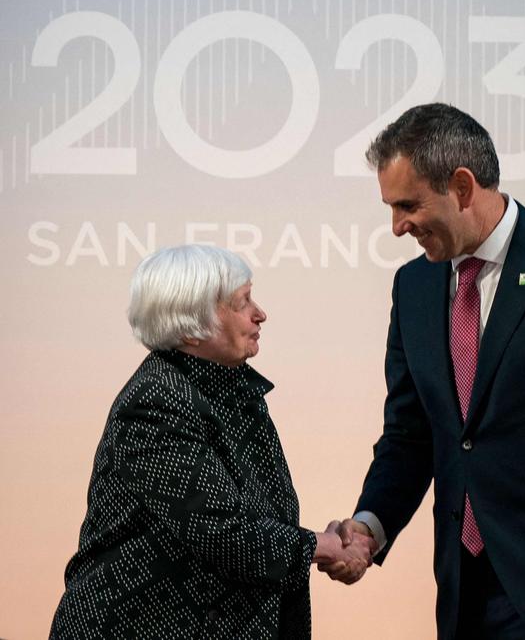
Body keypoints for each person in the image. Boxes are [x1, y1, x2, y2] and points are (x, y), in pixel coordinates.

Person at [323, 104, 525, 640]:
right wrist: (369, 527)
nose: (397, 226)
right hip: (465, 594)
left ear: (462, 185)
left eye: (408, 205)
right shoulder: (414, 289)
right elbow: (410, 436)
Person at [50, 244, 373, 640]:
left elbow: (263, 518)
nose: (260, 313)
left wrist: (331, 541)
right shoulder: (156, 400)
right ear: (190, 326)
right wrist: (324, 546)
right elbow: (220, 532)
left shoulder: (231, 390)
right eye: (243, 302)